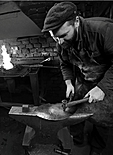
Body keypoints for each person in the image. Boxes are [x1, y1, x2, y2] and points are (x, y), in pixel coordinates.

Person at [41, 1, 113, 155]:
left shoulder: (104, 31)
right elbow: (64, 63)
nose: (59, 42)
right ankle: (79, 141)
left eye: (63, 36)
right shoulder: (61, 41)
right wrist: (68, 82)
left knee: (103, 118)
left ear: (77, 22)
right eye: (55, 38)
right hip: (83, 80)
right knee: (71, 111)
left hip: (107, 81)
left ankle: (97, 148)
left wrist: (103, 88)